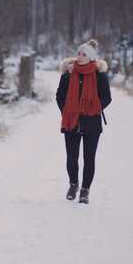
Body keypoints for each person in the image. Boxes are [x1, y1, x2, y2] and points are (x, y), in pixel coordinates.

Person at [55, 39, 112, 204]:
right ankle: (73, 184)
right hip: (71, 121)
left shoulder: (99, 75)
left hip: (92, 123)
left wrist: (93, 109)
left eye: (83, 54)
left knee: (89, 158)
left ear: (91, 57)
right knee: (71, 158)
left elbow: (106, 98)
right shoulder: (68, 73)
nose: (79, 56)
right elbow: (60, 95)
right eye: (78, 53)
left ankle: (85, 190)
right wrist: (66, 111)